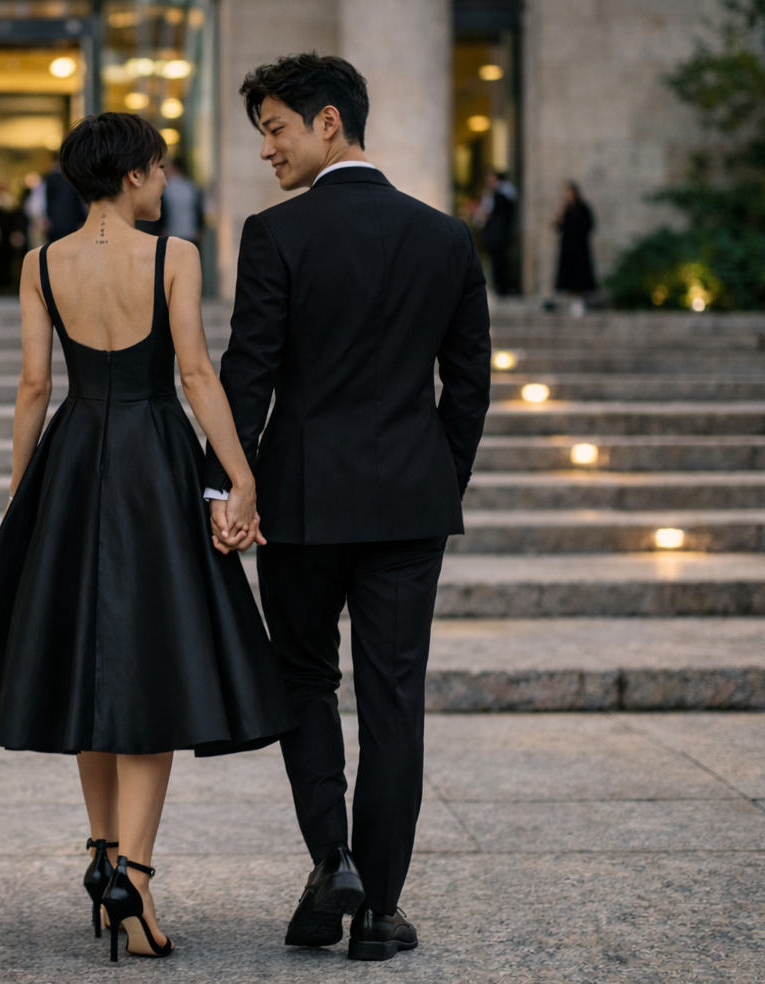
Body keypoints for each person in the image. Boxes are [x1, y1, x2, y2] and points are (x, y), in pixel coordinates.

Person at [0, 113, 295, 964]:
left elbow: (30, 384)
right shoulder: (174, 256)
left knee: (89, 656)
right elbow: (196, 373)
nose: (164, 183)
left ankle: (98, 853)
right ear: (130, 175)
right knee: (150, 664)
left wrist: (24, 491)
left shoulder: (39, 262)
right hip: (154, 457)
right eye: (158, 169)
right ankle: (137, 873)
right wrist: (240, 474)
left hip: (75, 452)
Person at [205, 53, 491, 961]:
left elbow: (247, 372)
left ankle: (334, 860)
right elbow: (470, 384)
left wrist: (229, 487)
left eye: (276, 129)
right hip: (410, 503)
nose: (267, 151)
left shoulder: (276, 235)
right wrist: (433, 476)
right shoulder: (446, 237)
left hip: (301, 501)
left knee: (303, 679)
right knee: (395, 697)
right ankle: (379, 910)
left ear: (330, 123)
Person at [554, 181, 597, 316]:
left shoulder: (583, 208)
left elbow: (589, 225)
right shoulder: (565, 208)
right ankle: (574, 299)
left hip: (579, 246)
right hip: (568, 246)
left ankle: (580, 300)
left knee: (580, 273)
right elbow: (558, 226)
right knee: (569, 273)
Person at [477, 168, 517, 296]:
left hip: (499, 233)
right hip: (493, 233)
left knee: (501, 261)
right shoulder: (490, 194)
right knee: (495, 261)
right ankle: (498, 287)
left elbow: (495, 213)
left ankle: (503, 288)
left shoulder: (503, 194)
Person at [160, 156, 202, 244]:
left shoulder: (166, 187)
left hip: (172, 233)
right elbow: (197, 208)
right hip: (189, 231)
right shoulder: (190, 186)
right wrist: (199, 228)